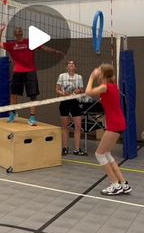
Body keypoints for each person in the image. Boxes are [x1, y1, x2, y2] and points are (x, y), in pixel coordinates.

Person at [0, 25, 63, 125]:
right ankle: (13, 113)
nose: (18, 34)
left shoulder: (29, 42)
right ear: (14, 35)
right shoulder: (11, 45)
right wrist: (0, 31)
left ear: (22, 33)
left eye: (20, 33)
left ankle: (32, 118)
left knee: (33, 96)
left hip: (30, 71)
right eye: (17, 33)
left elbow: (43, 47)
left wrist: (55, 51)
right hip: (17, 72)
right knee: (14, 94)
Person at [85, 63, 132, 196]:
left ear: (103, 74)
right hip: (119, 123)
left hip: (114, 125)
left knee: (99, 154)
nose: (97, 71)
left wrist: (91, 77)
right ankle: (123, 183)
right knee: (106, 153)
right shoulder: (112, 86)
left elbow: (88, 92)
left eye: (99, 70)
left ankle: (115, 185)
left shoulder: (105, 87)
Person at [56, 60, 85, 156]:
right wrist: (63, 93)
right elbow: (57, 90)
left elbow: (82, 90)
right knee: (64, 127)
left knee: (78, 126)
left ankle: (77, 149)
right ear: (67, 67)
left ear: (75, 67)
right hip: (64, 102)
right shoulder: (62, 76)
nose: (71, 65)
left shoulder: (79, 77)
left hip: (75, 102)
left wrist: (78, 91)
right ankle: (65, 148)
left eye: (73, 64)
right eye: (69, 64)